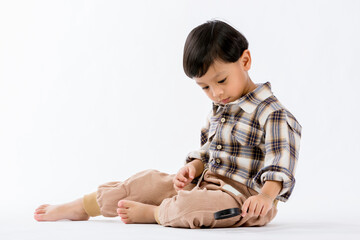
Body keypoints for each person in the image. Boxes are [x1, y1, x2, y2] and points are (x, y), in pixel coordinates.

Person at [34, 20, 301, 229]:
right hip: (206, 183)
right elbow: (209, 151)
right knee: (147, 182)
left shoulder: (273, 113)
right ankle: (84, 207)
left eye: (221, 81)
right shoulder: (221, 108)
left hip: (242, 200)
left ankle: (155, 214)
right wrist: (193, 167)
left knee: (191, 207)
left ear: (244, 61)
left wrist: (265, 198)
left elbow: (280, 164)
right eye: (205, 87)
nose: (216, 93)